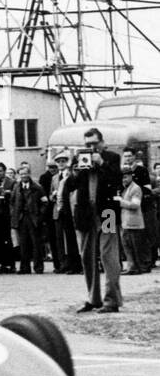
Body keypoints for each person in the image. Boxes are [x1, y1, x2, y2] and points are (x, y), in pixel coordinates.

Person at [67, 127, 123, 313]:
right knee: (87, 257)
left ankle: (112, 300)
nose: (90, 148)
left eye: (94, 143)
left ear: (101, 142)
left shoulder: (112, 158)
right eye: (87, 144)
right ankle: (93, 298)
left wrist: (101, 164)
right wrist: (74, 172)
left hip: (107, 212)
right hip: (86, 214)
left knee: (109, 256)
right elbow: (70, 186)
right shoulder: (79, 159)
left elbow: (116, 182)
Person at [49, 149, 83, 274]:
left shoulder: (73, 177)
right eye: (59, 162)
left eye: (64, 161)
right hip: (64, 211)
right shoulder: (58, 179)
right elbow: (56, 195)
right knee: (66, 239)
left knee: (107, 235)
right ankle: (70, 265)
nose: (61, 164)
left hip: (107, 212)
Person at [10, 165, 47, 273]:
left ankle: (38, 267)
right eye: (21, 174)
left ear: (29, 174)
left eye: (25, 174)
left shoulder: (37, 187)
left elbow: (45, 202)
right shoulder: (16, 187)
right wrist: (14, 213)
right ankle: (24, 267)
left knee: (36, 244)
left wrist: (40, 216)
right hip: (21, 218)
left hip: (34, 218)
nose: (23, 176)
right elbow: (12, 202)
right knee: (23, 244)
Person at [119, 165, 148, 274]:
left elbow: (135, 205)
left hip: (134, 223)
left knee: (136, 248)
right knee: (127, 247)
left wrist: (120, 202)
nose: (124, 179)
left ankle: (138, 268)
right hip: (127, 223)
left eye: (126, 177)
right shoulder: (125, 188)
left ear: (131, 176)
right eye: (122, 177)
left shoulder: (136, 188)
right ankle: (132, 267)